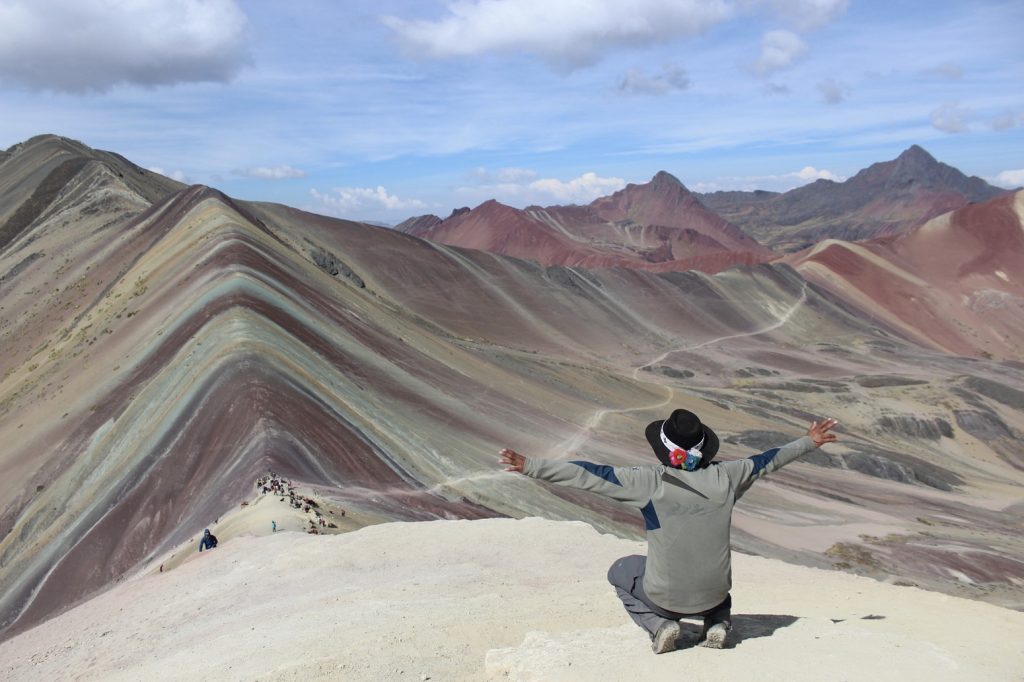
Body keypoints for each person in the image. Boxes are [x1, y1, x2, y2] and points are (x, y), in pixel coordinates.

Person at [499, 409, 838, 653]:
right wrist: (809, 441)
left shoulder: (647, 481)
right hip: (714, 595)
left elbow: (590, 474)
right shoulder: (730, 476)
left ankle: (660, 627)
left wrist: (530, 465)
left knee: (621, 570)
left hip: (666, 599)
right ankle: (717, 624)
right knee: (715, 576)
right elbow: (768, 460)